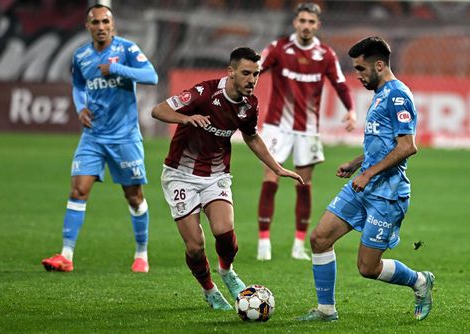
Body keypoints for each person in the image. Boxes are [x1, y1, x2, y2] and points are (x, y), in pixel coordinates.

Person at [151, 47, 303, 310]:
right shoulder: (205, 92)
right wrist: (187, 119)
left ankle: (227, 271)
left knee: (224, 232)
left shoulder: (250, 104)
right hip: (180, 176)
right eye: (246, 73)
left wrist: (277, 167)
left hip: (216, 175)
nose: (251, 80)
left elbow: (252, 137)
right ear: (231, 72)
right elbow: (158, 110)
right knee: (196, 246)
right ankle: (209, 290)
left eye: (256, 74)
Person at [296, 36, 434, 322]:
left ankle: (420, 281)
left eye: (360, 69)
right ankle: (326, 310)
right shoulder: (380, 94)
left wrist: (368, 172)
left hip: (387, 195)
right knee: (320, 238)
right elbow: (384, 144)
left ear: (380, 65)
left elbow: (408, 146)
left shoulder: (398, 96)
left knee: (367, 268)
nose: (356, 75)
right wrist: (357, 163)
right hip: (362, 186)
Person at [41, 4, 158, 273]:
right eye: (95, 22)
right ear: (88, 26)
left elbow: (151, 76)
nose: (101, 27)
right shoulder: (81, 55)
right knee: (78, 190)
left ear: (113, 25)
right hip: (93, 137)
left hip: (124, 137)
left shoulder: (127, 49)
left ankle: (141, 254)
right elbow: (79, 85)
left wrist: (119, 71)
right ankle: (66, 255)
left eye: (106, 21)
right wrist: (80, 107)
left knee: (134, 197)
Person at [256, 2, 356, 261]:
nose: (306, 26)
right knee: (271, 178)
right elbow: (255, 70)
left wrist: (351, 110)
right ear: (295, 23)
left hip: (308, 130)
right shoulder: (279, 48)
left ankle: (298, 244)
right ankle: (263, 241)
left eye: (311, 22)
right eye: (302, 21)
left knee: (304, 184)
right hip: (277, 126)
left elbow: (340, 83)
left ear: (317, 25)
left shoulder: (325, 54)